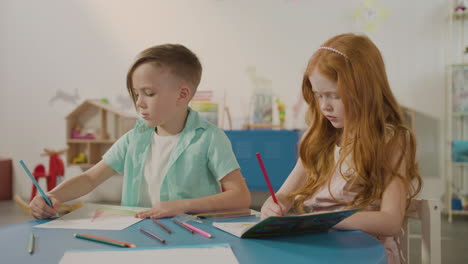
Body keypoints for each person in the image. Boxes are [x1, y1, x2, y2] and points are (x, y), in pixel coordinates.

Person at [30, 44, 250, 219]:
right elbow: (89, 179)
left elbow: (240, 197)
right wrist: (50, 196)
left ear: (182, 95)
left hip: (194, 235)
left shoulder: (210, 138)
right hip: (139, 233)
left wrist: (182, 206)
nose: (139, 103)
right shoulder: (133, 139)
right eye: (136, 94)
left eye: (149, 93)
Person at [260, 33, 421, 264]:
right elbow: (284, 194)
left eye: (335, 96)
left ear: (365, 92)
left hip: (366, 253)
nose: (325, 105)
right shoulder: (319, 138)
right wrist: (274, 204)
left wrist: (328, 219)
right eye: (318, 95)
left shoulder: (392, 139)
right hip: (321, 248)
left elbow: (391, 221)